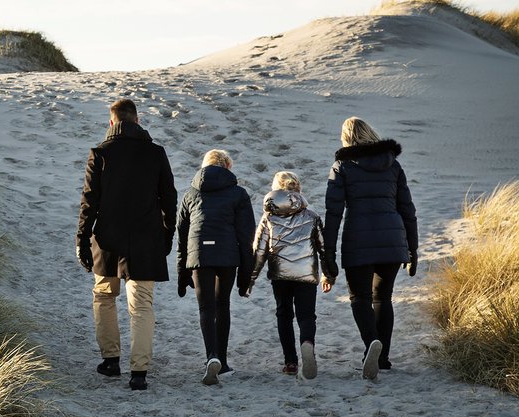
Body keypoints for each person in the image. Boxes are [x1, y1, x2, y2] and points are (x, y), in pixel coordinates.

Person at [77, 98, 179, 392]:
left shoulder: (100, 153)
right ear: (137, 119)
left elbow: (89, 202)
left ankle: (111, 361)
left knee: (105, 296)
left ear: (112, 122)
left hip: (107, 237)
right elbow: (169, 199)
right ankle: (139, 371)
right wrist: (167, 235)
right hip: (146, 239)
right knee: (142, 305)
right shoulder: (156, 153)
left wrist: (81, 239)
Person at [322, 116, 419, 380]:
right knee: (382, 298)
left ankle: (371, 344)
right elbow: (407, 210)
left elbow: (334, 214)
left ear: (346, 138)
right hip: (393, 240)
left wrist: (327, 255)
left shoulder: (343, 166)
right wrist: (413, 249)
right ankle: (382, 358)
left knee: (359, 298)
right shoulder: (393, 165)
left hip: (359, 240)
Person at [176, 149, 255, 386]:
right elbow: (246, 236)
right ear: (228, 167)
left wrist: (182, 271)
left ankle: (211, 356)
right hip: (228, 255)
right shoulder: (238, 194)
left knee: (205, 308)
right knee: (223, 305)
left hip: (199, 255)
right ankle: (223, 360)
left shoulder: (190, 193)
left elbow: (181, 235)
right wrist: (246, 277)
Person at [245, 171, 331, 380]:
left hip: (280, 275)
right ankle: (307, 344)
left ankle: (290, 362)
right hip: (306, 275)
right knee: (307, 315)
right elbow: (323, 248)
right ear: (298, 189)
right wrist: (328, 274)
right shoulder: (312, 216)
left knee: (284, 315)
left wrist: (250, 280)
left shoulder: (269, 217)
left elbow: (260, 251)